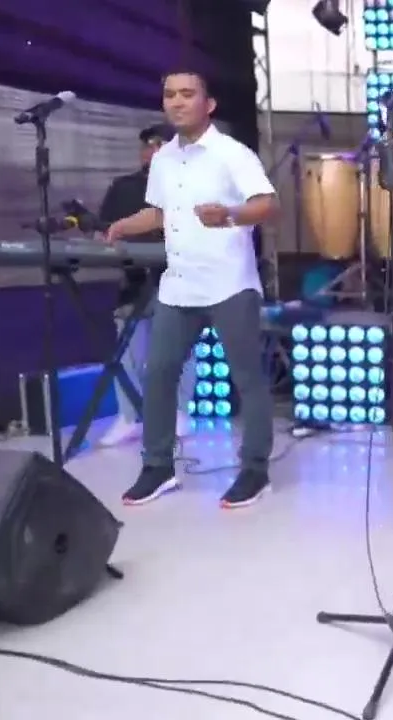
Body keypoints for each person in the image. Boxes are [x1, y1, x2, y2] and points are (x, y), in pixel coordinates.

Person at [104, 70, 280, 508]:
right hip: (179, 286)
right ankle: (157, 466)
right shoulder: (164, 158)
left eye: (187, 94)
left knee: (247, 377)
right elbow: (161, 213)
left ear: (209, 104)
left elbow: (267, 203)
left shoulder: (231, 153)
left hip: (229, 284)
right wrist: (124, 225)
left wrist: (231, 214)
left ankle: (254, 470)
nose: (177, 102)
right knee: (159, 372)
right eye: (170, 95)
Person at [97, 123, 197, 446]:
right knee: (128, 350)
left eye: (160, 144)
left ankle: (179, 411)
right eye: (148, 145)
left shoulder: (190, 183)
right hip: (135, 280)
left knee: (179, 348)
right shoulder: (123, 187)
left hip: (178, 279)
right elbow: (105, 230)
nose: (153, 151)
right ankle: (129, 416)